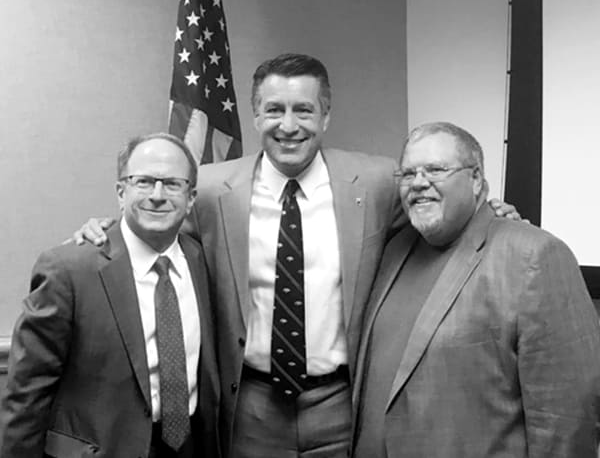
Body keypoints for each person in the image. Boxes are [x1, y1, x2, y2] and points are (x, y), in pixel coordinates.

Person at [74, 55, 519, 458]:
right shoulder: (210, 190)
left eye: (303, 109)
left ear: (326, 115)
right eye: (274, 110)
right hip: (251, 406)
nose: (289, 125)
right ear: (256, 115)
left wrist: (491, 214)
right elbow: (153, 225)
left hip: (341, 405)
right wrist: (104, 232)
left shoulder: (377, 182)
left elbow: (438, 208)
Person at [351, 122, 600, 458]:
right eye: (408, 173)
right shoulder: (394, 250)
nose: (420, 183)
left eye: (436, 169)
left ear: (477, 179)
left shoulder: (532, 256)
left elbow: (567, 418)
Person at [0, 133, 219, 458]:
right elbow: (27, 393)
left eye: (172, 184)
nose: (157, 195)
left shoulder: (203, 260)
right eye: (143, 182)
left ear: (190, 198)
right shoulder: (68, 270)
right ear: (121, 192)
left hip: (188, 447)